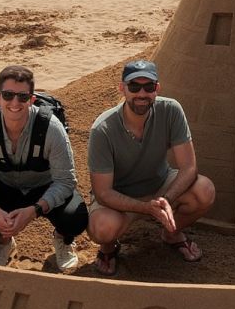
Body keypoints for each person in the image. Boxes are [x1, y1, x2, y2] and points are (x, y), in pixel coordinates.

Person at [86, 60, 216, 276]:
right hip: (120, 196)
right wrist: (145, 208)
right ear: (122, 88)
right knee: (102, 228)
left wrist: (165, 199)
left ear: (157, 89)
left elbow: (188, 167)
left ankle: (172, 233)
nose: (142, 94)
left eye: (149, 87)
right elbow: (103, 192)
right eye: (134, 87)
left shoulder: (171, 110)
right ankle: (108, 248)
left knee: (204, 190)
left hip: (159, 185)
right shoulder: (103, 129)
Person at [0, 65, 88, 269]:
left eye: (23, 97)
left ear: (32, 99)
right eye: (8, 95)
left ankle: (62, 239)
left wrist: (34, 210)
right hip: (5, 184)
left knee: (75, 218)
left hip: (45, 185)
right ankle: (3, 243)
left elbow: (66, 181)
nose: (15, 103)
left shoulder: (52, 129)